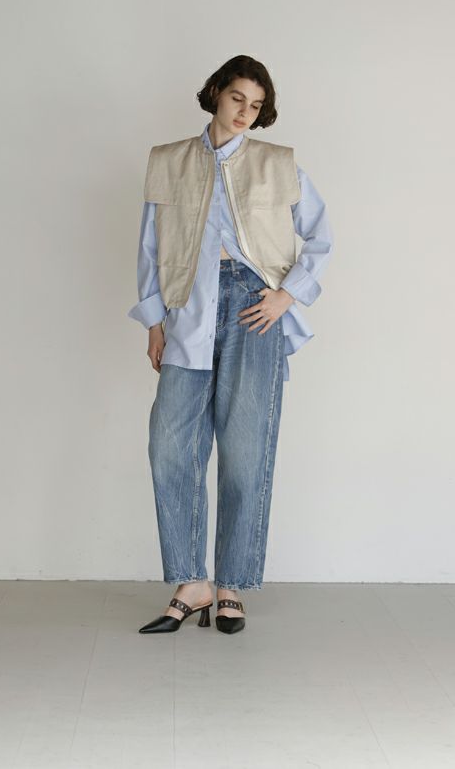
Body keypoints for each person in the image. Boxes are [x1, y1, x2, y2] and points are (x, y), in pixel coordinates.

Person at [127, 54, 333, 634]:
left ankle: (231, 586)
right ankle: (192, 582)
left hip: (253, 309)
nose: (245, 112)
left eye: (256, 105)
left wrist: (286, 296)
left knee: (246, 451)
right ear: (217, 92)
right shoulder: (168, 161)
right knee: (170, 446)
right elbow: (149, 246)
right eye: (238, 97)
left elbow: (321, 236)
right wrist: (154, 321)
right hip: (187, 305)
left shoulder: (278, 164)